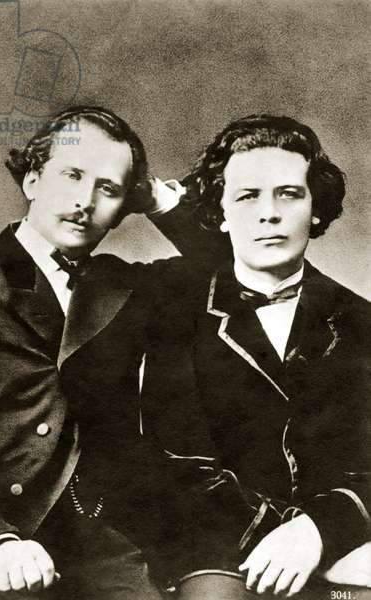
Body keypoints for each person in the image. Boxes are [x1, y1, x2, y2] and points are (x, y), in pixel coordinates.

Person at [0, 104, 222, 600]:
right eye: (72, 175)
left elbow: (237, 272)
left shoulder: (119, 285)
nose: (85, 201)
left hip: (107, 538)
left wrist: (157, 201)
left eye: (108, 188)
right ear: (32, 180)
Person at [141, 114, 371, 599]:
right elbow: (181, 465)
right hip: (217, 549)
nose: (269, 213)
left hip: (336, 545)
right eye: (247, 196)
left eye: (289, 194)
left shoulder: (361, 321)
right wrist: (288, 537)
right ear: (220, 213)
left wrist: (320, 532)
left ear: (315, 209)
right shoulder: (174, 308)